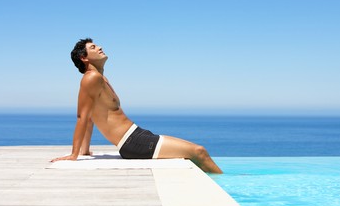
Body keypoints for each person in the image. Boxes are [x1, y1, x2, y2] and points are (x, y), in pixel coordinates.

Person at [51, 38, 222, 174]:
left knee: (196, 153)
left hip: (137, 136)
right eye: (94, 47)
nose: (100, 47)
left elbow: (90, 118)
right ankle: (225, 188)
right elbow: (82, 116)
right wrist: (75, 155)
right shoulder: (91, 78)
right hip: (132, 143)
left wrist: (85, 151)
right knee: (199, 152)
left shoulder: (101, 78)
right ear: (84, 58)